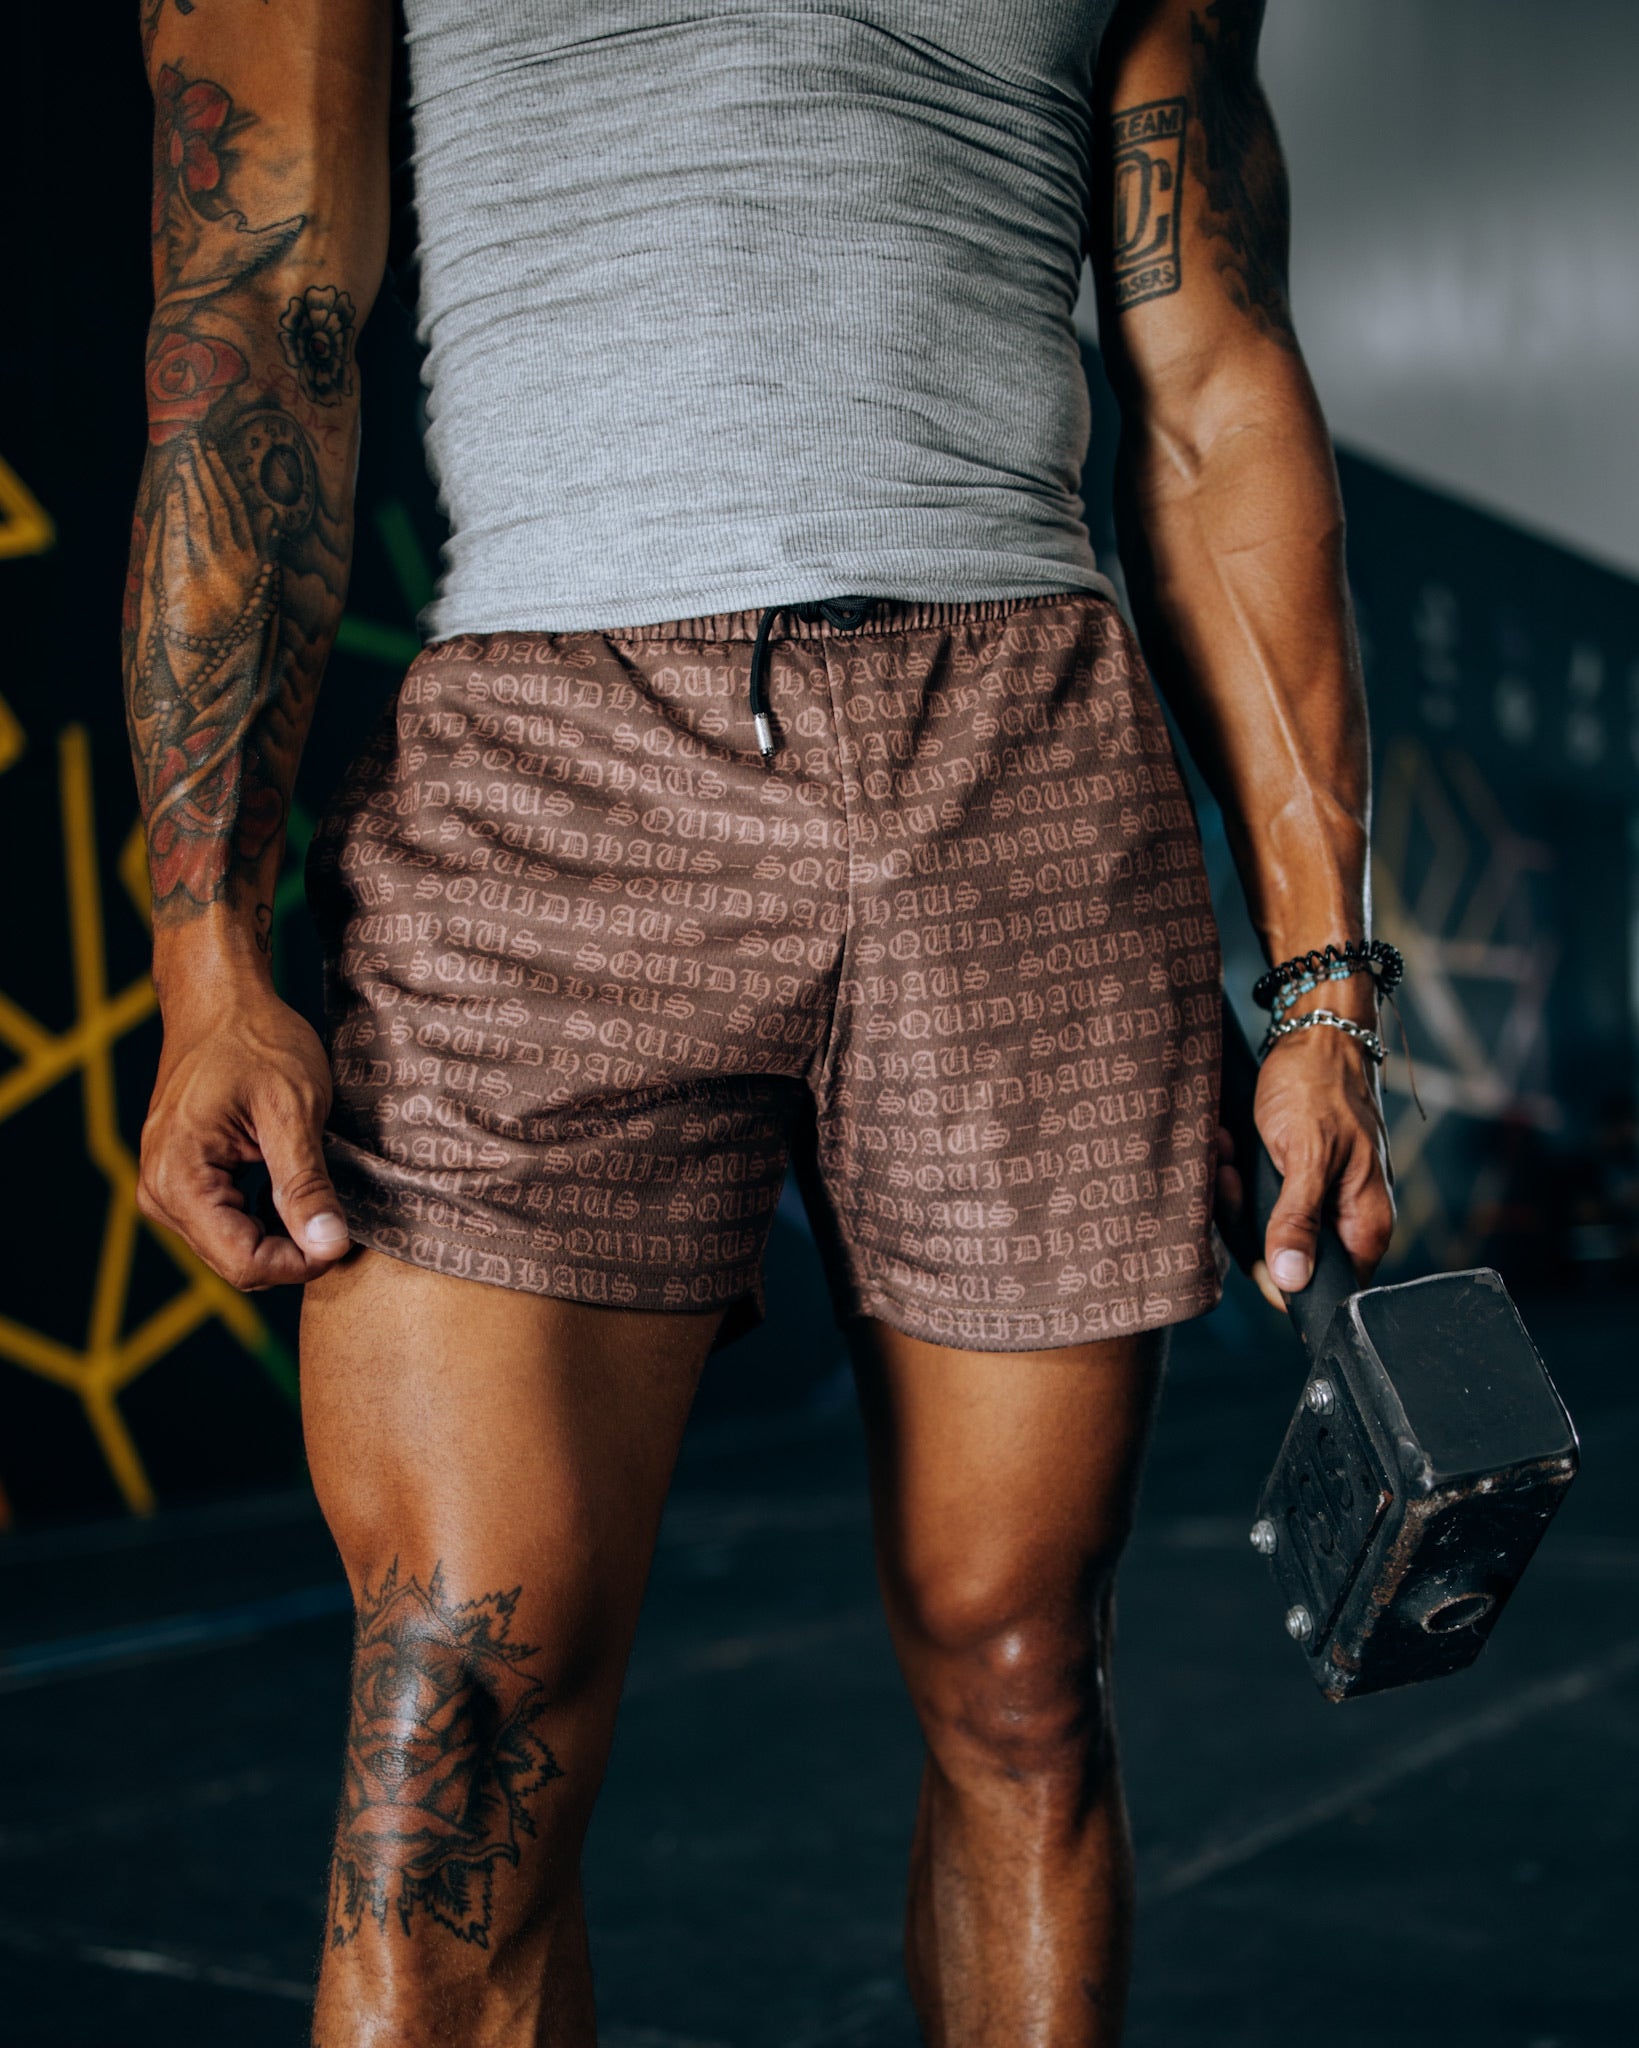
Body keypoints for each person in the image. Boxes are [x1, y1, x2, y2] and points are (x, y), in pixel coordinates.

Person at [126, 0, 1393, 2038]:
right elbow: (258, 324)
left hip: (1022, 757)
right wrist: (209, 957)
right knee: (450, 1718)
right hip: (544, 759)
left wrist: (1325, 979)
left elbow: (1213, 374)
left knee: (1020, 1670)